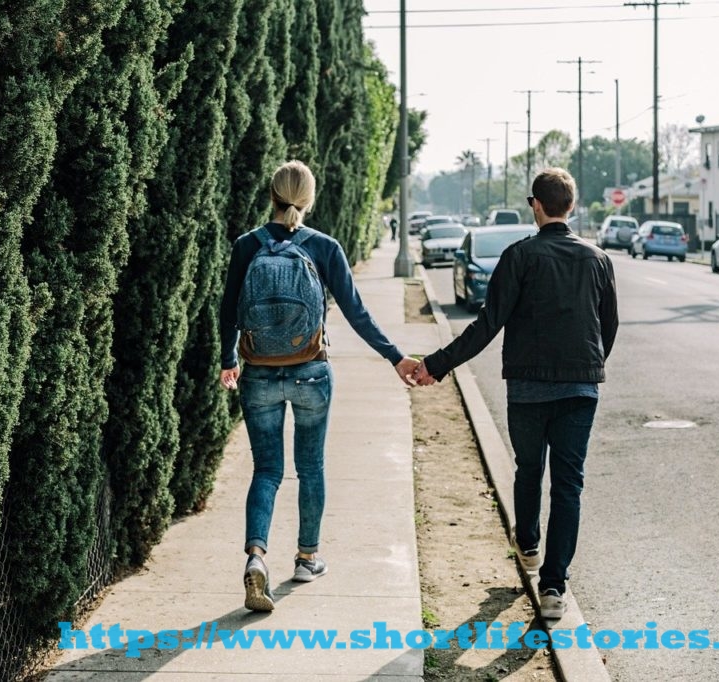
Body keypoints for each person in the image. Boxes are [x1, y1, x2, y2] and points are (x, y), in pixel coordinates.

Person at [413, 168, 618, 620]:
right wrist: (586, 367)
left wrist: (435, 365)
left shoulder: (519, 256)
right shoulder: (599, 259)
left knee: (529, 469)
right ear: (572, 204)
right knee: (569, 485)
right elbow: (609, 327)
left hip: (527, 388)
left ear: (535, 205)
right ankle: (553, 588)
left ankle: (527, 545)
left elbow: (488, 325)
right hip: (581, 388)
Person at [219, 160, 419, 612]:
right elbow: (356, 312)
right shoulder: (325, 247)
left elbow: (228, 309)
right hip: (311, 371)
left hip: (260, 374)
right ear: (309, 200)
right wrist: (395, 356)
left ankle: (256, 557)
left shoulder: (247, 246)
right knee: (310, 467)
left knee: (267, 470)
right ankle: (307, 557)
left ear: (271, 195)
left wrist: (228, 359)